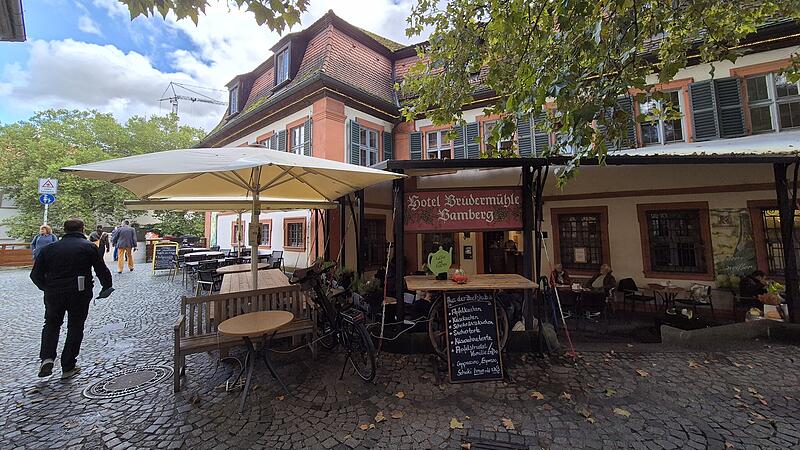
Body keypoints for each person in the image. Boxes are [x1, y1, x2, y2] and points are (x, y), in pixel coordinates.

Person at [30, 218, 112, 379]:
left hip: (53, 293)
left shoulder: (49, 249)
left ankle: (47, 358)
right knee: (75, 327)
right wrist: (106, 286)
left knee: (51, 324)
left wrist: (46, 287)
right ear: (82, 229)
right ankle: (68, 365)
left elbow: (35, 275)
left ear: (65, 230)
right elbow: (101, 269)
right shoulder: (88, 247)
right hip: (79, 291)